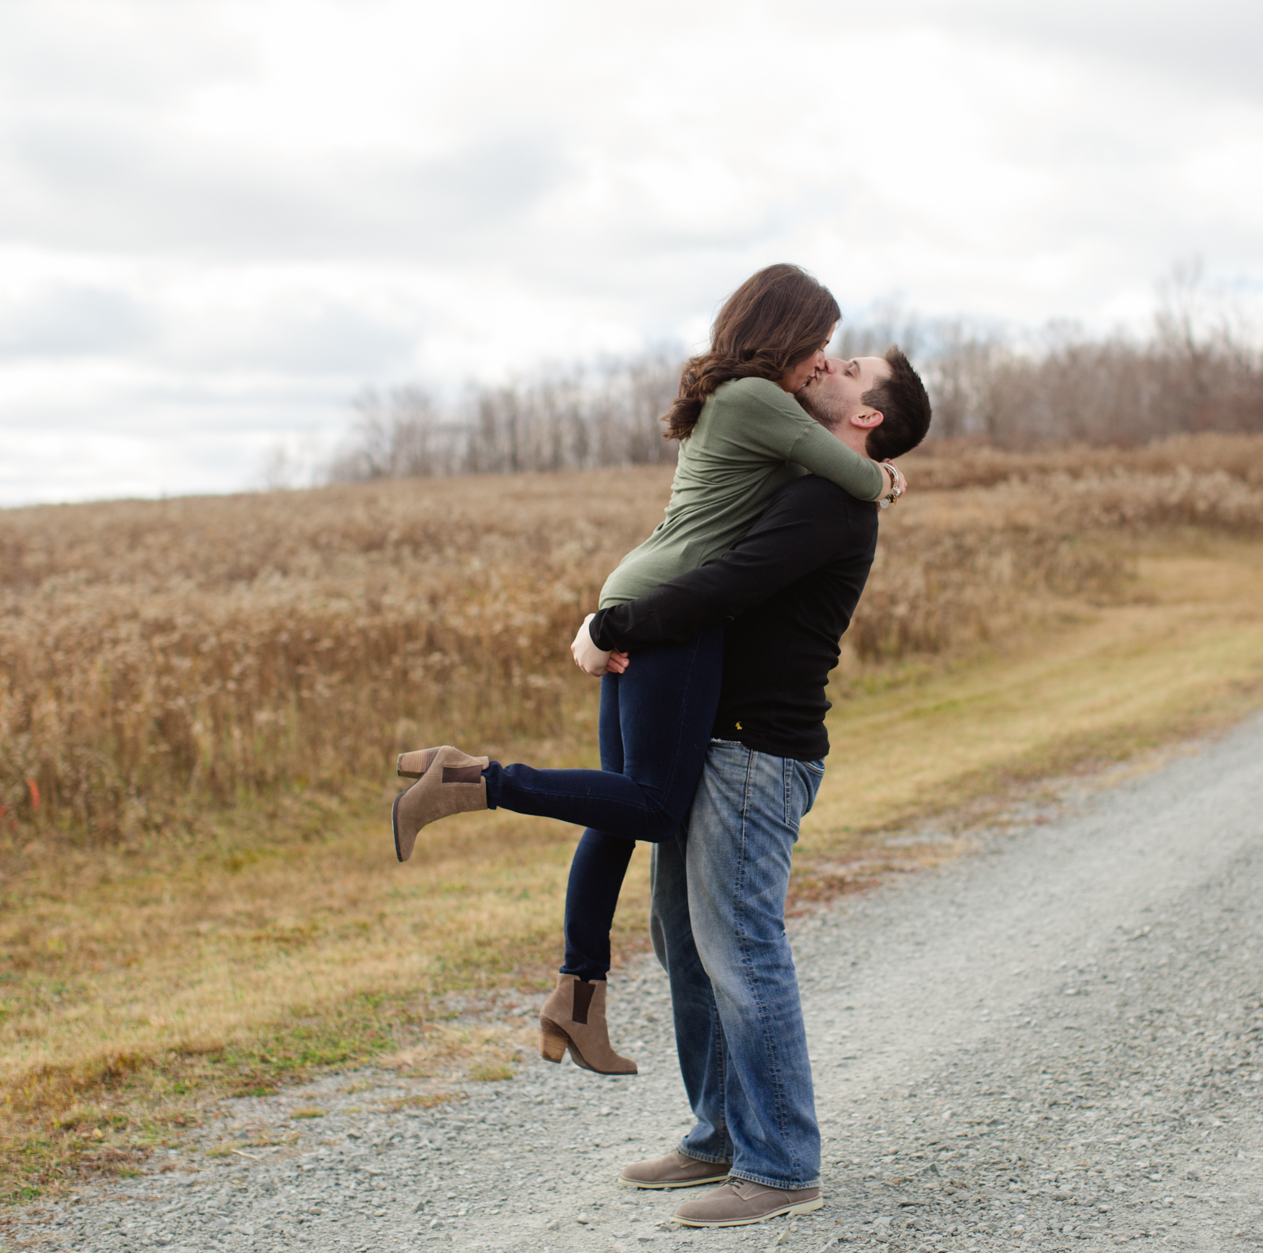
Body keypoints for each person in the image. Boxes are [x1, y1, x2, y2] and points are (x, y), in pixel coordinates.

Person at [385, 265, 902, 1076]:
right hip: (671, 612)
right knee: (657, 805)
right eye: (822, 345)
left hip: (634, 591)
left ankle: (578, 993)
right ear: (788, 334)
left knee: (618, 807)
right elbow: (851, 473)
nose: (823, 362)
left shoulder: (729, 398)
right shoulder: (762, 401)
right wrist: (888, 474)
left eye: (837, 355)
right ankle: (474, 779)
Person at [581, 349, 931, 1227]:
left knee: (740, 948)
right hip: (708, 739)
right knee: (681, 940)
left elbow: (725, 585)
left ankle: (781, 1166)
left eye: (852, 369)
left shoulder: (829, 500)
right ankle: (719, 1135)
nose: (830, 364)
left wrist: (608, 625)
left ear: (868, 417)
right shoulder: (810, 471)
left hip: (755, 753)